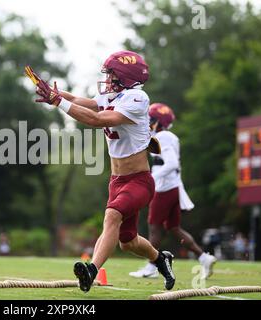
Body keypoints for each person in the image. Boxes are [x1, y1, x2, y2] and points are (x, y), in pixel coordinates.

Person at [25, 50, 176, 292]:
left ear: (126, 77)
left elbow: (96, 119)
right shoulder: (115, 95)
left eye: (112, 75)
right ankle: (161, 259)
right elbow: (81, 101)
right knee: (128, 242)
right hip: (117, 181)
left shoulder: (137, 98)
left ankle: (91, 271)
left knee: (112, 215)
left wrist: (58, 102)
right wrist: (54, 94)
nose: (107, 79)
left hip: (139, 181)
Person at [129, 103, 217, 280]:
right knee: (173, 227)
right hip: (173, 186)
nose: (148, 122)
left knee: (154, 227)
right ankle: (204, 257)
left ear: (158, 122)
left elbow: (171, 163)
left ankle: (152, 266)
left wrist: (152, 177)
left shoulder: (163, 136)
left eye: (151, 119)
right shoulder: (166, 135)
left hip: (164, 187)